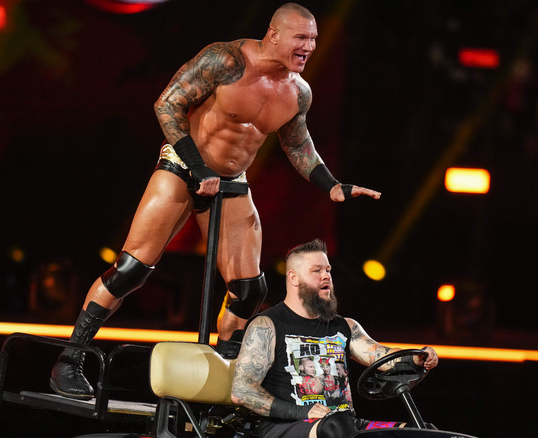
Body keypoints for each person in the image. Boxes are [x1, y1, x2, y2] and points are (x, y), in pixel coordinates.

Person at [49, 3, 381, 401]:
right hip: (182, 168)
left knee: (249, 289)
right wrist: (196, 166)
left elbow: (297, 143)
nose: (309, 46)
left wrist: (331, 184)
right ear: (273, 35)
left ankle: (226, 371)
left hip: (231, 181)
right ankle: (69, 360)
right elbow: (167, 103)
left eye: (313, 39)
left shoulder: (298, 91)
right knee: (130, 269)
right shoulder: (225, 60)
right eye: (301, 38)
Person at [231, 239, 438, 438]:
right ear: (294, 278)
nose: (326, 276)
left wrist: (419, 357)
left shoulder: (345, 326)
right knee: (336, 427)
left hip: (345, 424)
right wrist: (300, 412)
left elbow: (381, 357)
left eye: (328, 270)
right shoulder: (267, 325)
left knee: (421, 431)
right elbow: (241, 390)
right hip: (288, 426)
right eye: (316, 271)